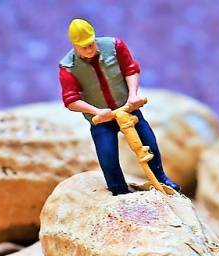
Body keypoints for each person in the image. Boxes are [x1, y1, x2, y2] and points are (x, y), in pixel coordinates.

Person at [58, 18, 180, 196]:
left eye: (91, 44)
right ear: (74, 45)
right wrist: (97, 112)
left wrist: (133, 95)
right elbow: (71, 100)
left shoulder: (114, 46)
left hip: (128, 109)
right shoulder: (68, 67)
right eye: (84, 47)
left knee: (149, 143)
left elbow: (130, 69)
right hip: (102, 120)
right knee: (107, 156)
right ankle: (118, 190)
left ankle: (160, 178)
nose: (89, 49)